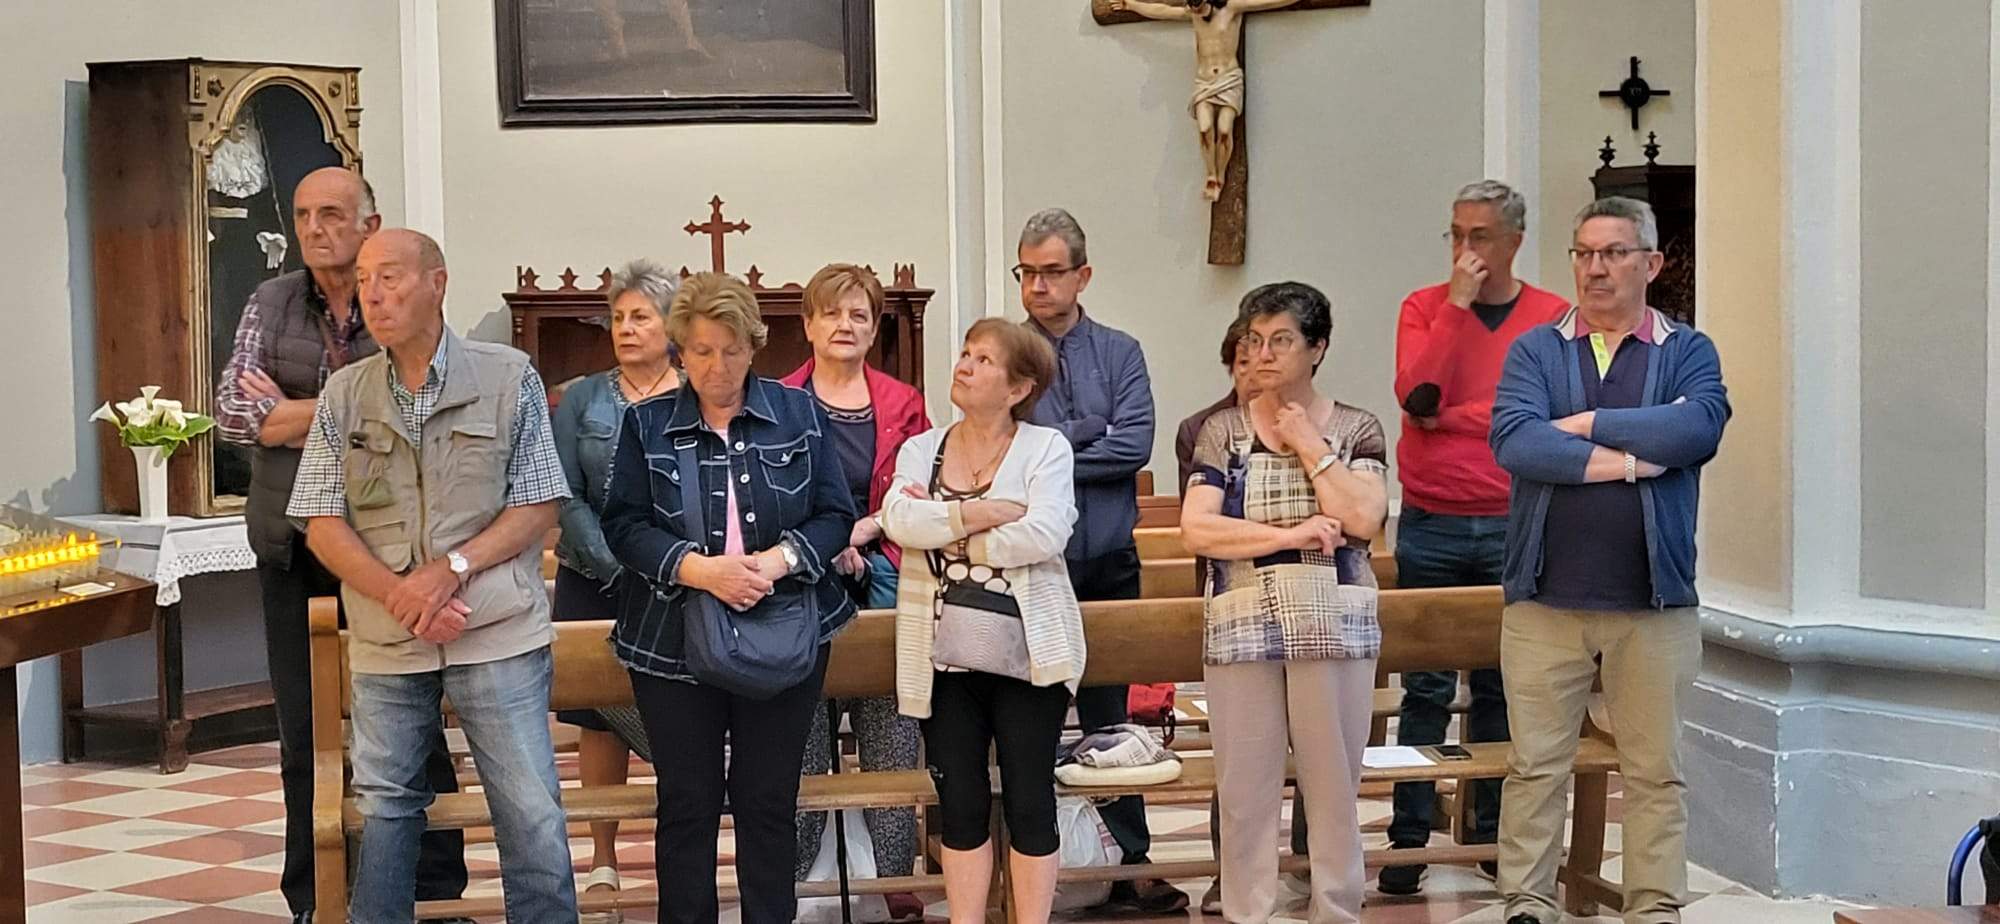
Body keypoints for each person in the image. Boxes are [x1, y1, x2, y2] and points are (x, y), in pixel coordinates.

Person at [287, 229, 576, 923]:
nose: (374, 294)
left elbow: (538, 501)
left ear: (437, 283)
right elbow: (320, 519)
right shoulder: (345, 392)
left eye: (390, 276)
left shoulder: (508, 377)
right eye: (363, 280)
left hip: (494, 631)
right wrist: (402, 594)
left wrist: (449, 573)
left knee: (529, 808)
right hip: (390, 638)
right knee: (385, 809)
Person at [214, 168, 466, 924]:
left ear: (369, 221)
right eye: (302, 215)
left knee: (412, 720)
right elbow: (232, 413)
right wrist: (342, 404)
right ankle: (312, 897)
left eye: (332, 214)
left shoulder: (397, 294)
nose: (316, 228)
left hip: (390, 548)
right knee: (305, 732)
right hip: (294, 545)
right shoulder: (272, 301)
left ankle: (437, 890)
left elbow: (416, 401)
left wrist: (294, 411)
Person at [1490, 197, 1730, 924]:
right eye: (1584, 253)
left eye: (1615, 253)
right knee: (1534, 766)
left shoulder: (1686, 350)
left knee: (1655, 770)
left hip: (1651, 603)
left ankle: (1653, 905)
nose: (1596, 269)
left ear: (1651, 264)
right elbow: (1518, 441)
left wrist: (1591, 425)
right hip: (1544, 600)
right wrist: (1632, 463)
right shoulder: (1538, 349)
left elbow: (1697, 427)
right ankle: (1527, 901)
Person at [600, 272, 858, 924]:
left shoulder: (798, 413)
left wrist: (775, 562)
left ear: (755, 345)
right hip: (670, 636)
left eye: (732, 349)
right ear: (680, 351)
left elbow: (834, 514)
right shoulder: (645, 424)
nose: (718, 366)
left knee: (767, 800)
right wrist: (700, 571)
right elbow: (623, 525)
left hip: (787, 626)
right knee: (686, 804)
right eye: (703, 351)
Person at [1381, 179, 1570, 895]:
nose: (1466, 251)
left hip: (1514, 520)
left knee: (1501, 683)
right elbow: (1418, 398)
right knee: (1423, 687)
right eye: (1456, 235)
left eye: (1481, 236)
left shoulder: (1552, 317)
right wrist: (1456, 312)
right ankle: (1407, 843)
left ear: (1515, 240)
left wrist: (1463, 419)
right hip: (1431, 522)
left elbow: (1543, 421)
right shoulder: (1425, 308)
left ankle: (1490, 833)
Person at [1180, 282, 1390, 924]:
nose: (1264, 353)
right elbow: (1199, 529)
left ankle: (1337, 910)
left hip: (1335, 623)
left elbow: (1362, 517)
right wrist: (1292, 535)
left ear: (1317, 347)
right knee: (1245, 787)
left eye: (1281, 340)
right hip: (1240, 620)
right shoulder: (1222, 431)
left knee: (1332, 785)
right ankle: (1247, 912)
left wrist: (1309, 444)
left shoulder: (1357, 427)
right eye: (1254, 340)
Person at [879, 317, 1085, 924]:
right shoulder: (924, 448)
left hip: (1030, 656)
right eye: (965, 353)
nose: (964, 365)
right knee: (960, 800)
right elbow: (897, 521)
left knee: (1028, 798)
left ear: (1020, 387)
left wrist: (949, 531)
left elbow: (1047, 533)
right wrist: (987, 513)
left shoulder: (1046, 448)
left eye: (984, 359)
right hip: (943, 656)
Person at [1015, 207, 1180, 913]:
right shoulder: (1004, 350)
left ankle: (1130, 861)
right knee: (1032, 716)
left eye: (1052, 272)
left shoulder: (1121, 351)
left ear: (1083, 275)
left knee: (1114, 718)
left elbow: (1135, 444)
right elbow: (1002, 451)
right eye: (1027, 272)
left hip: (1108, 553)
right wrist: (1086, 436)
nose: (1038, 286)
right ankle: (1038, 862)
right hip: (1028, 565)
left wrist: (1050, 446)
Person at [778, 263, 930, 923]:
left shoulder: (903, 402)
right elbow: (762, 497)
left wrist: (867, 535)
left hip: (884, 581)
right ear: (809, 324)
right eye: (833, 313)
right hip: (799, 590)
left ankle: (895, 885)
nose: (846, 325)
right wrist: (819, 544)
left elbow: (918, 491)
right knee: (801, 742)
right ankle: (795, 886)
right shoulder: (777, 399)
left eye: (860, 315)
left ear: (874, 329)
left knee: (890, 734)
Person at [549, 259, 681, 921]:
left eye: (641, 317)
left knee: (671, 715)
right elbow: (564, 492)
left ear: (670, 324)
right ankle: (601, 854)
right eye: (619, 317)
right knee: (597, 717)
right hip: (594, 580)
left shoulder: (691, 392)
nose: (625, 329)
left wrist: (666, 567)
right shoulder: (583, 398)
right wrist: (618, 569)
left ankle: (674, 846)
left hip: (676, 582)